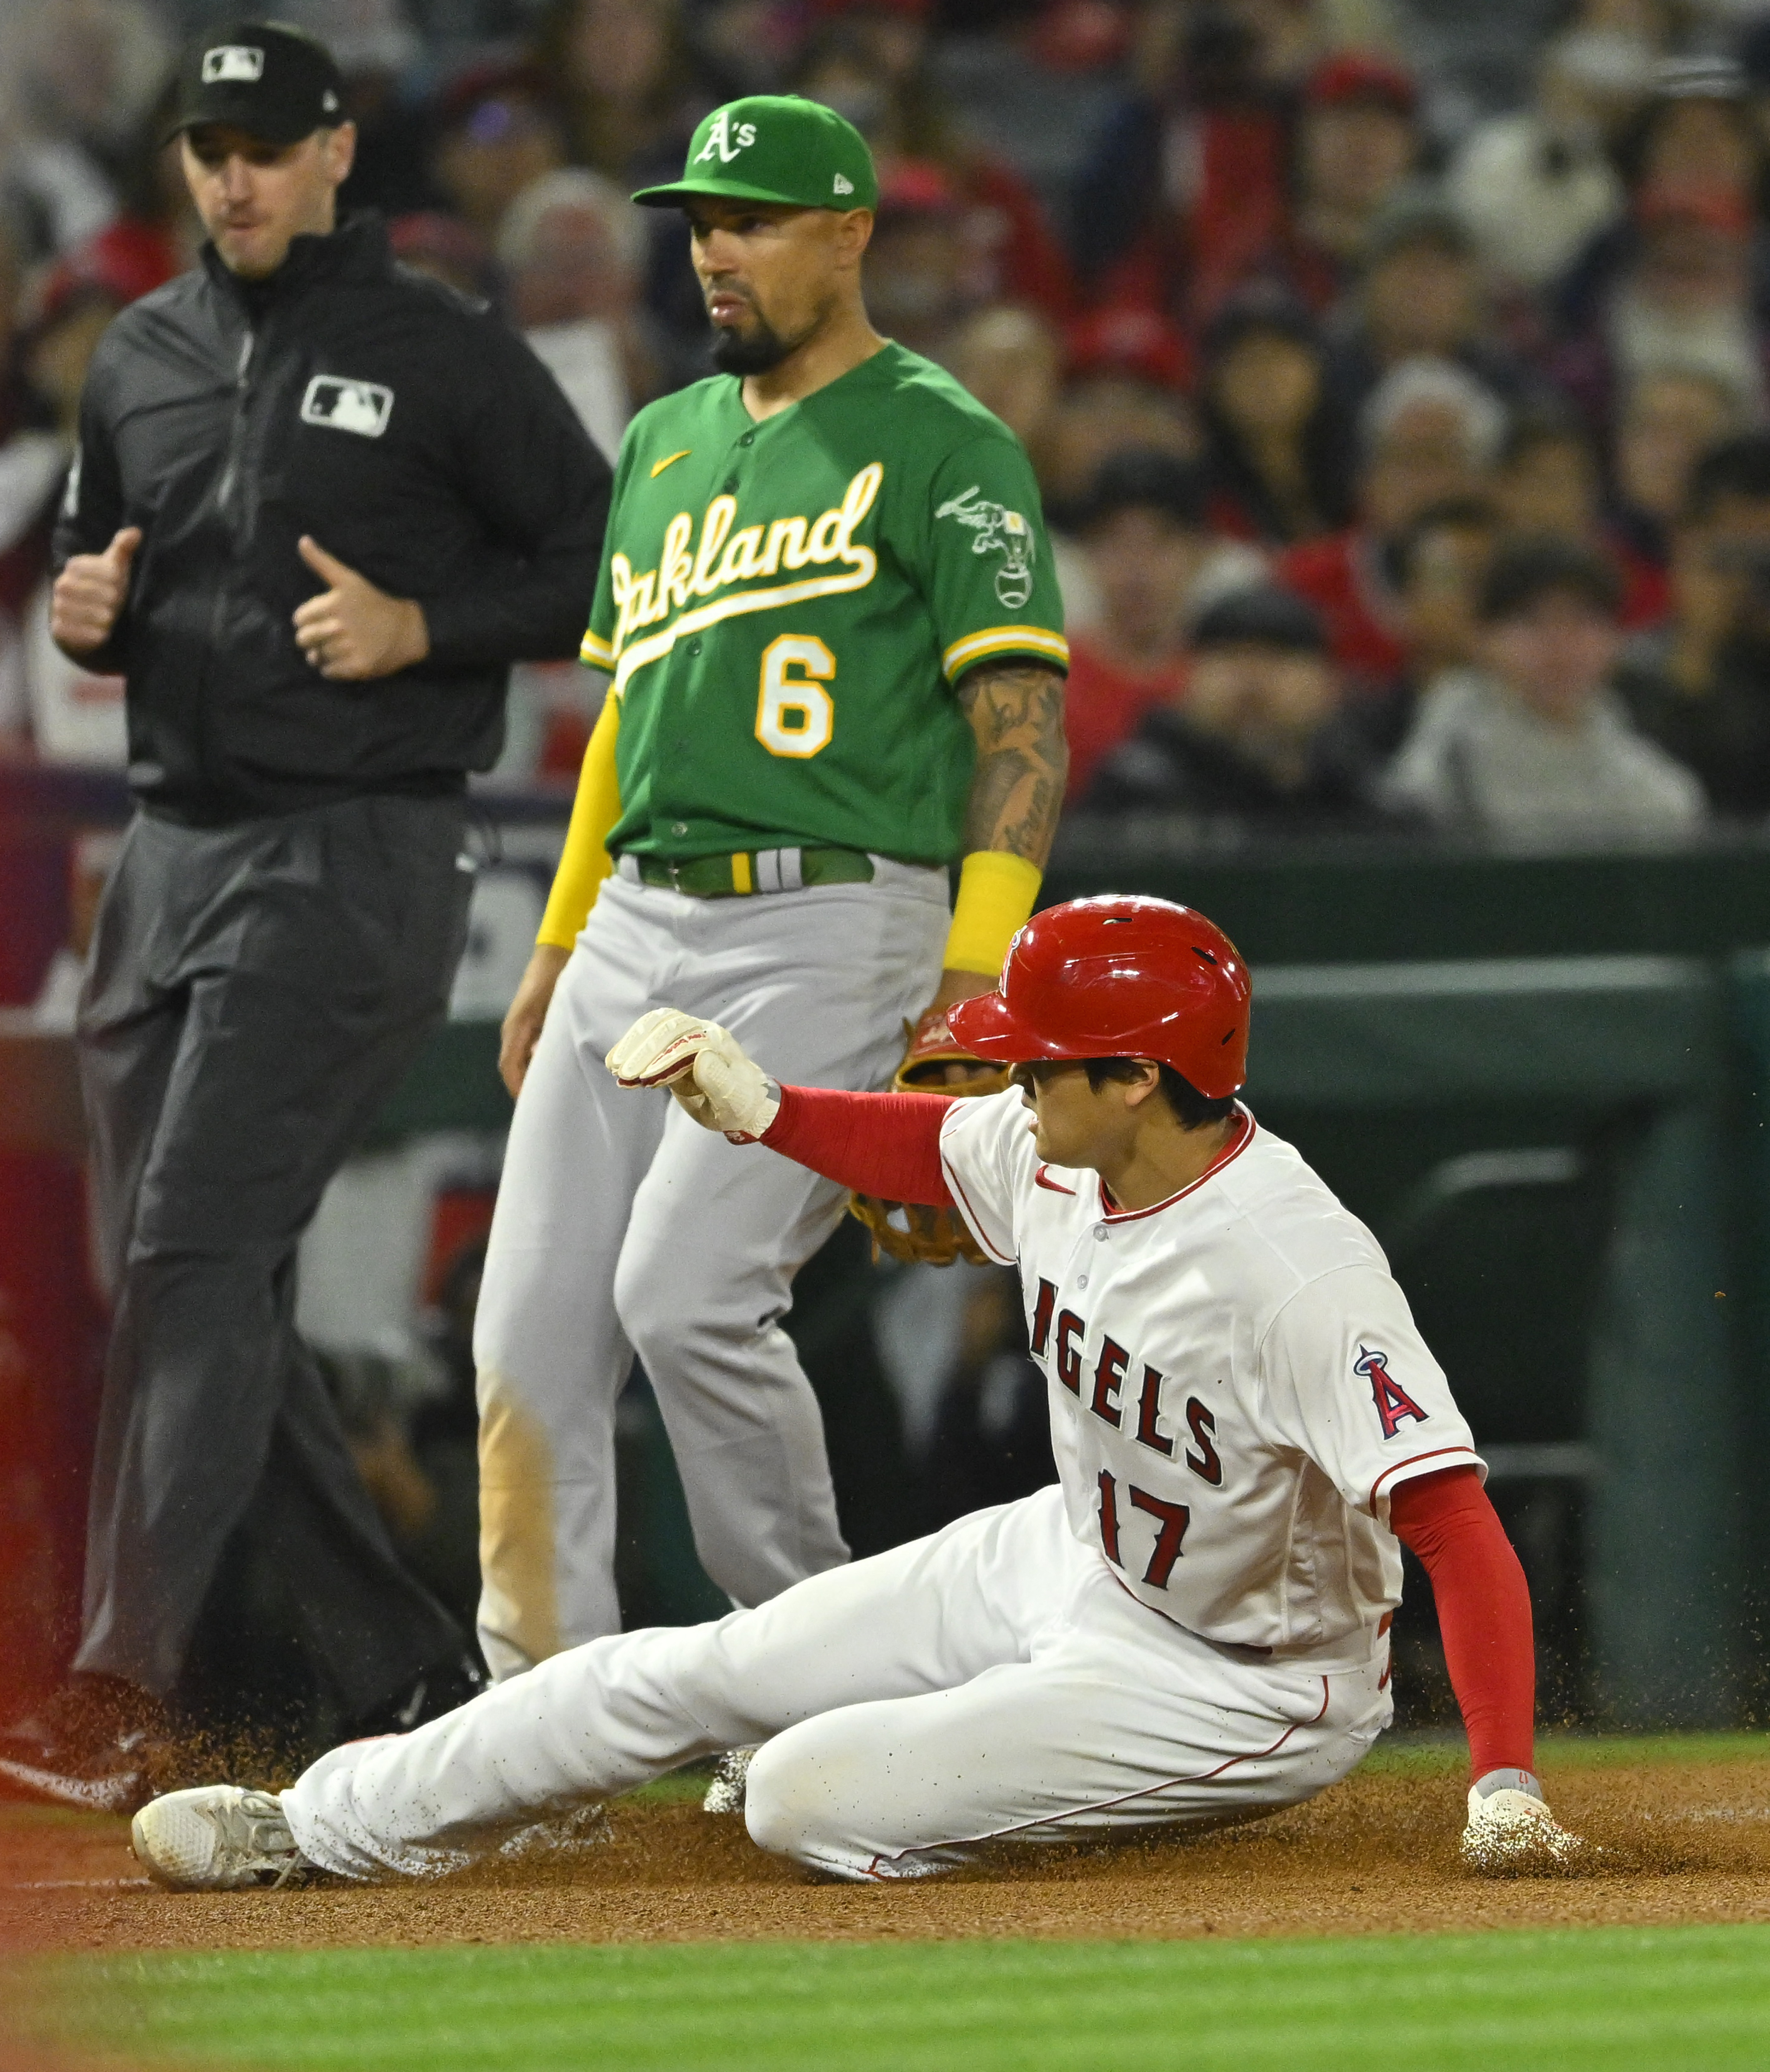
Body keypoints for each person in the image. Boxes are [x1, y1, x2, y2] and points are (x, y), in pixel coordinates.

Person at [127, 896, 1582, 1890]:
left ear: (1137, 1077)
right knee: (693, 1670)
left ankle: (1044, 1830)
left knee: (799, 1795)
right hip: (1067, 1551)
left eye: (1037, 1060)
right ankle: (318, 1829)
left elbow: (1451, 1526)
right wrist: (761, 1112)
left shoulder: (1292, 1270)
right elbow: (925, 1147)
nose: (1007, 1080)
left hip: (1239, 1676)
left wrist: (1500, 1778)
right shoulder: (1056, 1146)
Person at [0, 21, 611, 1813]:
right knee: (189, 1287)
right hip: (165, 853)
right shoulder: (143, 353)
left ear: (340, 153)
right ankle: (421, 1678)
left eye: (268, 144)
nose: (235, 176)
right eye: (208, 147)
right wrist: (94, 616)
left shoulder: (445, 351)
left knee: (191, 1252)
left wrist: (429, 630)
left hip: (356, 846)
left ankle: (119, 1685)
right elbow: (104, 573)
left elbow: (607, 565)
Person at [473, 97, 1069, 1729]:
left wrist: (974, 973)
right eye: (700, 220)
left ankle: (819, 1687)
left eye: (752, 217)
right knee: (526, 1338)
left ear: (850, 234)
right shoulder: (663, 445)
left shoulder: (945, 438)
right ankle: (536, 1728)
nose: (714, 249)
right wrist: (553, 943)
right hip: (630, 926)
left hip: (829, 922)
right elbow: (623, 724)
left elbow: (1023, 723)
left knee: (683, 1292)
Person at [1380, 535, 1704, 838]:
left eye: (1583, 621)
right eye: (1532, 621)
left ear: (1615, 640)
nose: (1559, 644)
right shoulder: (1442, 763)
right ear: (1484, 638)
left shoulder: (1658, 794)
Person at [1085, 586, 1387, 831]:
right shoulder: (1137, 789)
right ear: (1187, 681)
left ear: (1330, 685)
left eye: (1279, 657)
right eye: (1228, 656)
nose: (1252, 677)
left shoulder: (1361, 785)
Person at [1614, 430, 1770, 814]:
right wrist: (1698, 646)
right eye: (1737, 554)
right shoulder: (1639, 670)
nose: (1753, 578)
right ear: (1688, 544)